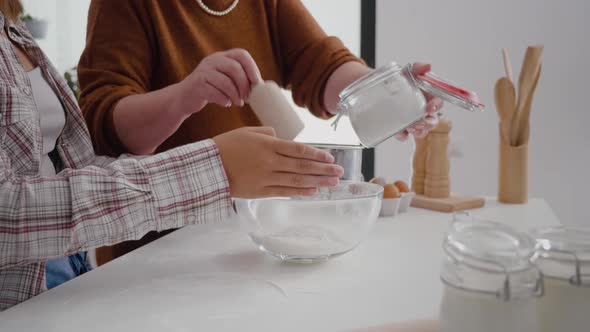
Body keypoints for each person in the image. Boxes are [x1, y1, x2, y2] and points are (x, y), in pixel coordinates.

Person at [0, 0, 343, 310]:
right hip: (149, 257)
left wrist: (374, 91)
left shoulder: (12, 31)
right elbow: (10, 214)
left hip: (69, 270)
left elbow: (323, 65)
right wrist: (212, 169)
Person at [78, 0, 443, 263]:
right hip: (155, 252)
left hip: (243, 239)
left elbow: (323, 66)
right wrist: (185, 96)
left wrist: (388, 96)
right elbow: (105, 126)